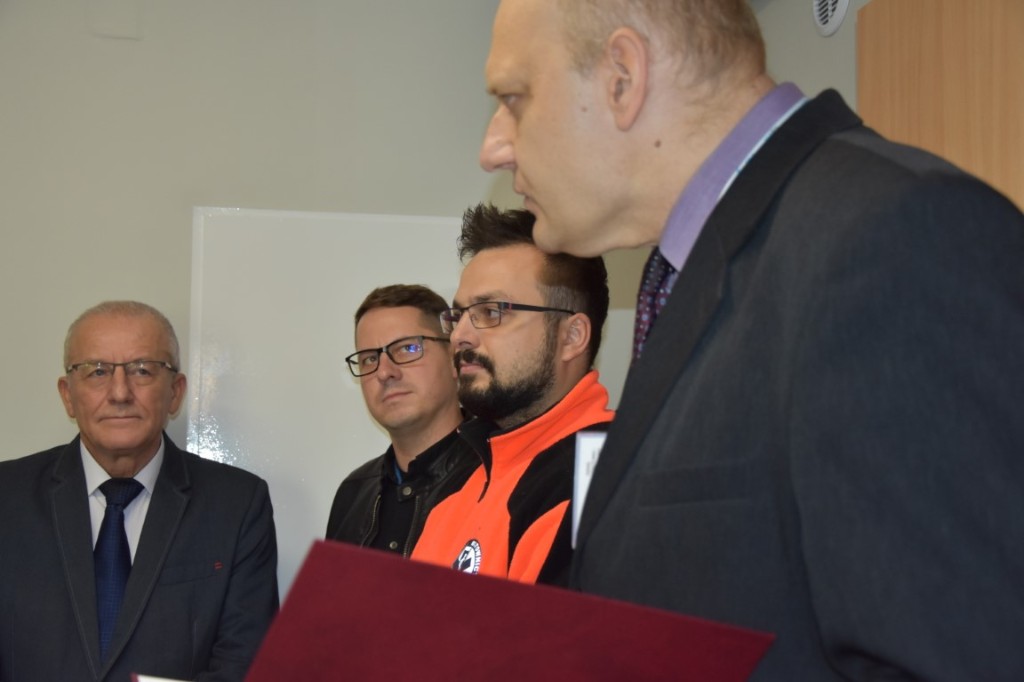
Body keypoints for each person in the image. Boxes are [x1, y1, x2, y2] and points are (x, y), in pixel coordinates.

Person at [478, 0, 1024, 678]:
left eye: (514, 98)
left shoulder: (898, 241)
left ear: (622, 77)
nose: (492, 146)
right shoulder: (686, 275)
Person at [0, 301, 278, 682]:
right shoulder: (7, 499)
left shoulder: (238, 506)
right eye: (97, 371)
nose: (120, 392)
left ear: (176, 391)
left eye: (142, 370)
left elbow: (244, 668)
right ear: (67, 394)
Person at [410, 204, 614, 587]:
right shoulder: (458, 484)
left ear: (571, 337)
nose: (460, 336)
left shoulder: (610, 473)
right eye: (459, 315)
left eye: (491, 312)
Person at [326, 284, 476, 556]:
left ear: (454, 359)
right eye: (369, 359)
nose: (384, 372)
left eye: (407, 348)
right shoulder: (353, 494)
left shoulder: (500, 476)